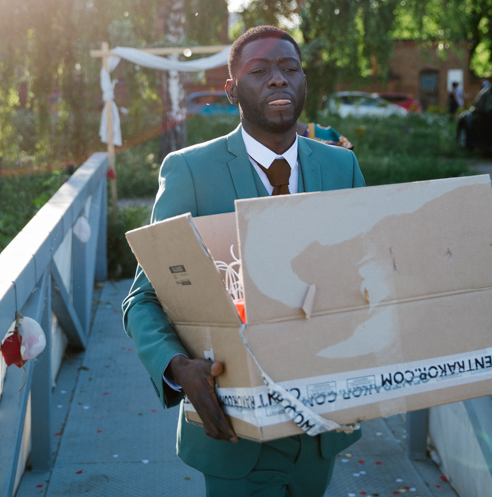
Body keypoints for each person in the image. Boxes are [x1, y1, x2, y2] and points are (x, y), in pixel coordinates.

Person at [122, 25, 365, 495]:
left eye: (290, 69)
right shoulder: (190, 171)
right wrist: (176, 366)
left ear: (304, 82)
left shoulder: (341, 167)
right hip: (234, 428)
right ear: (232, 89)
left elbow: (364, 276)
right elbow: (145, 297)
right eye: (261, 71)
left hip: (322, 424)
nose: (278, 79)